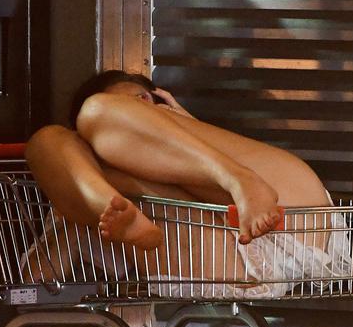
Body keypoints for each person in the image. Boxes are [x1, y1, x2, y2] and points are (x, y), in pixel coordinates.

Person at [25, 70, 333, 253]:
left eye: (141, 100)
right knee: (46, 141)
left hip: (297, 211)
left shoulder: (166, 122)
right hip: (223, 251)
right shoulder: (85, 169)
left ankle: (239, 179)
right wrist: (83, 202)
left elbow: (102, 116)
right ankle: (106, 202)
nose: (133, 110)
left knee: (93, 114)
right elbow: (34, 282)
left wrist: (184, 125)